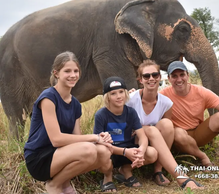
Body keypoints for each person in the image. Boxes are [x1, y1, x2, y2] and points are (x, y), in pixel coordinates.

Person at [24, 51, 113, 194]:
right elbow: (56, 140)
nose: (73, 75)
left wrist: (101, 139)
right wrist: (94, 137)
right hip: (39, 157)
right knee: (89, 149)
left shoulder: (76, 104)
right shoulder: (48, 98)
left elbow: (77, 138)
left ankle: (64, 183)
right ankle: (54, 185)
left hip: (60, 154)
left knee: (103, 151)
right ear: (56, 73)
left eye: (76, 71)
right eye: (67, 71)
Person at [127, 60, 203, 189]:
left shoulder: (166, 103)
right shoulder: (131, 99)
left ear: (159, 77)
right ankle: (181, 178)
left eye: (155, 75)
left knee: (167, 124)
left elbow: (166, 131)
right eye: (146, 76)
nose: (151, 78)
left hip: (151, 143)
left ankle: (158, 170)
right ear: (140, 80)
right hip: (130, 141)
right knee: (151, 130)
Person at [160, 60, 219, 170]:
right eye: (174, 76)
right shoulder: (163, 95)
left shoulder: (200, 91)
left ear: (188, 75)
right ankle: (202, 156)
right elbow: (146, 102)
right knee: (178, 133)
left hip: (198, 133)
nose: (179, 79)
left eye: (182, 74)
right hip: (179, 138)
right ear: (169, 79)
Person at [94, 76, 158, 191]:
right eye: (113, 93)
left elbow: (142, 137)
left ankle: (125, 170)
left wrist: (140, 152)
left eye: (121, 92)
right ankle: (107, 178)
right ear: (107, 97)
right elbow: (99, 144)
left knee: (152, 153)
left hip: (128, 149)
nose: (119, 96)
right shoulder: (101, 115)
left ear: (125, 93)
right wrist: (124, 152)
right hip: (110, 152)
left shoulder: (131, 112)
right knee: (102, 153)